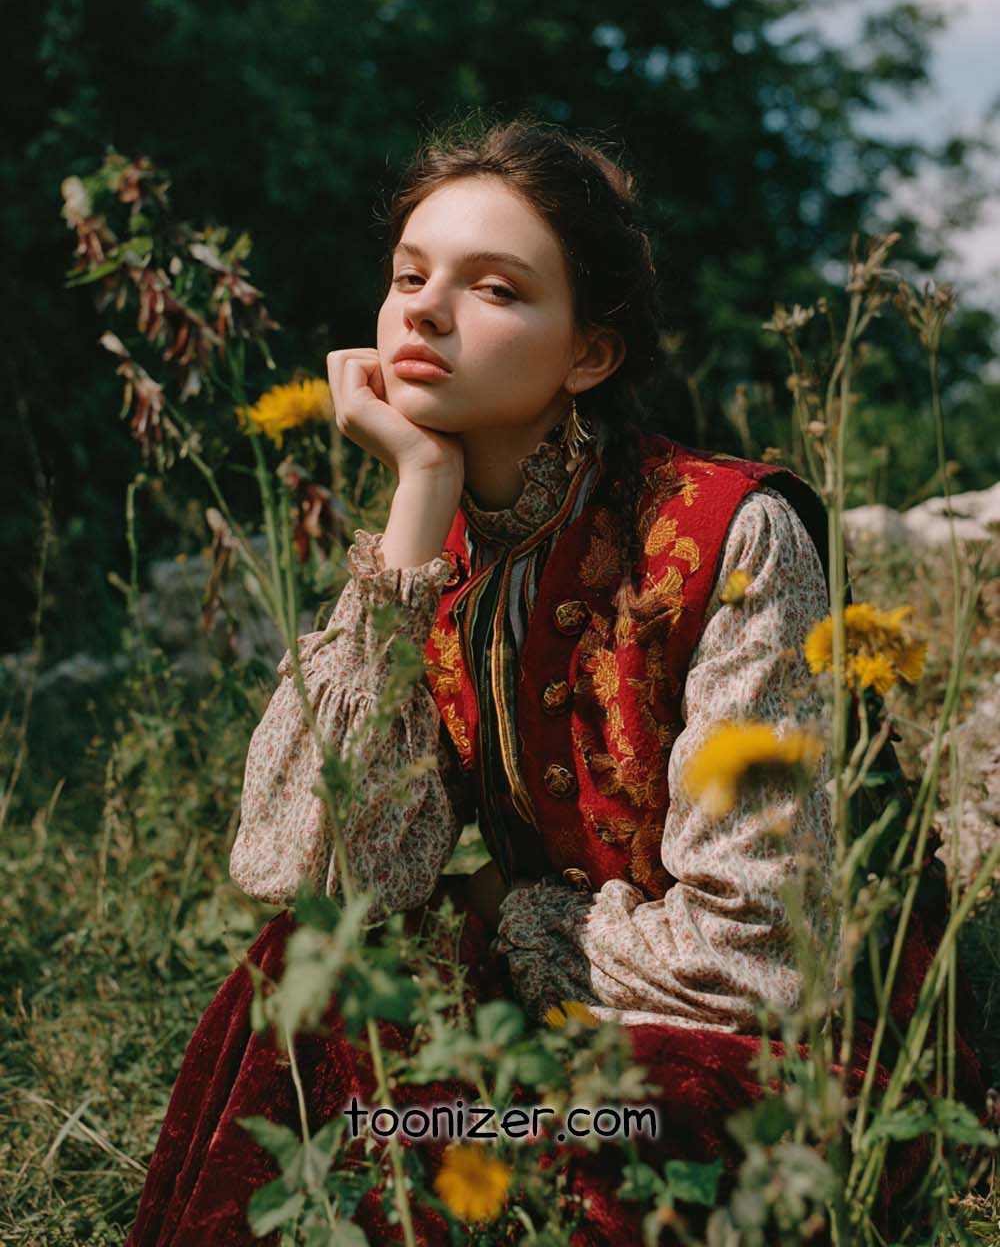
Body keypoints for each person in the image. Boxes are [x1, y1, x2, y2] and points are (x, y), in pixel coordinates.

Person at [126, 117, 983, 1246]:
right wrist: (415, 503)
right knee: (305, 981)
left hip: (776, 1047)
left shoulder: (730, 533)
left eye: (495, 287)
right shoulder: (431, 550)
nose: (424, 310)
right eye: (408, 276)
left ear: (588, 354)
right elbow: (309, 868)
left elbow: (764, 958)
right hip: (588, 993)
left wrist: (520, 915)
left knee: (523, 1122)